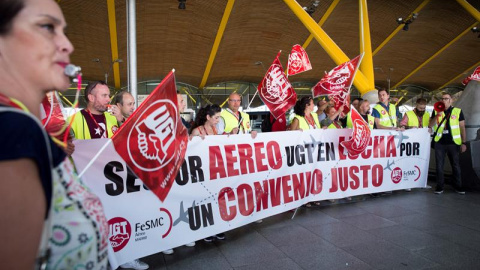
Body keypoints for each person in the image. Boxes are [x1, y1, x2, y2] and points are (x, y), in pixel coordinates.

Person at [0, 0, 109, 269]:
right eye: (47, 27)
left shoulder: (25, 127)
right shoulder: (13, 131)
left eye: (64, 31)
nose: (67, 45)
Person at [428, 92, 467, 195]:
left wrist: (464, 143)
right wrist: (437, 115)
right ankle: (440, 186)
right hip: (440, 143)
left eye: (446, 98)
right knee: (439, 165)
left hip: (453, 143)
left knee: (456, 165)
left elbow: (462, 127)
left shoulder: (458, 111)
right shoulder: (436, 110)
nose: (444, 100)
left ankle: (458, 186)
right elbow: (430, 125)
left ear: (451, 100)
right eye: (442, 99)